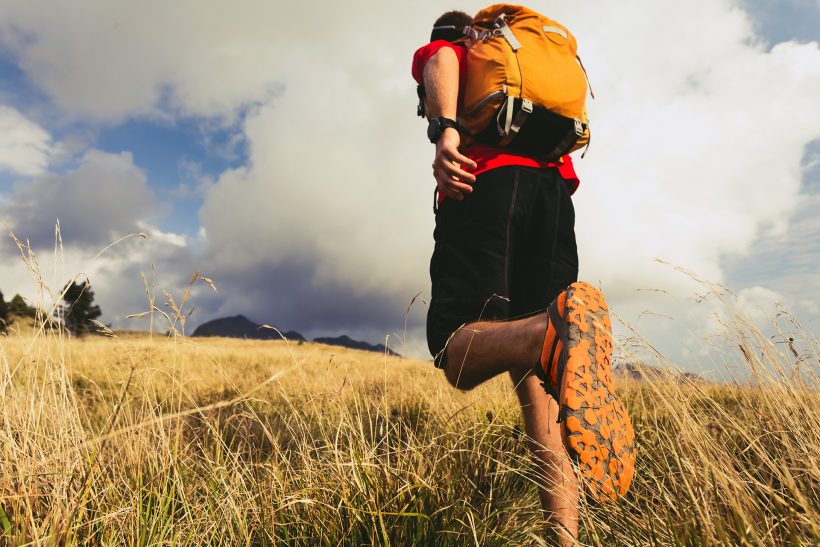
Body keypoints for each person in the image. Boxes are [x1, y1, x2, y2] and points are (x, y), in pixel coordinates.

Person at [412, 9, 635, 543]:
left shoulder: (459, 44)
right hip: (553, 199)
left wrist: (444, 130)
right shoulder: (528, 70)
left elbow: (438, 58)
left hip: (483, 182)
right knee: (540, 383)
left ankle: (547, 332)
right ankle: (565, 538)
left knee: (454, 346)